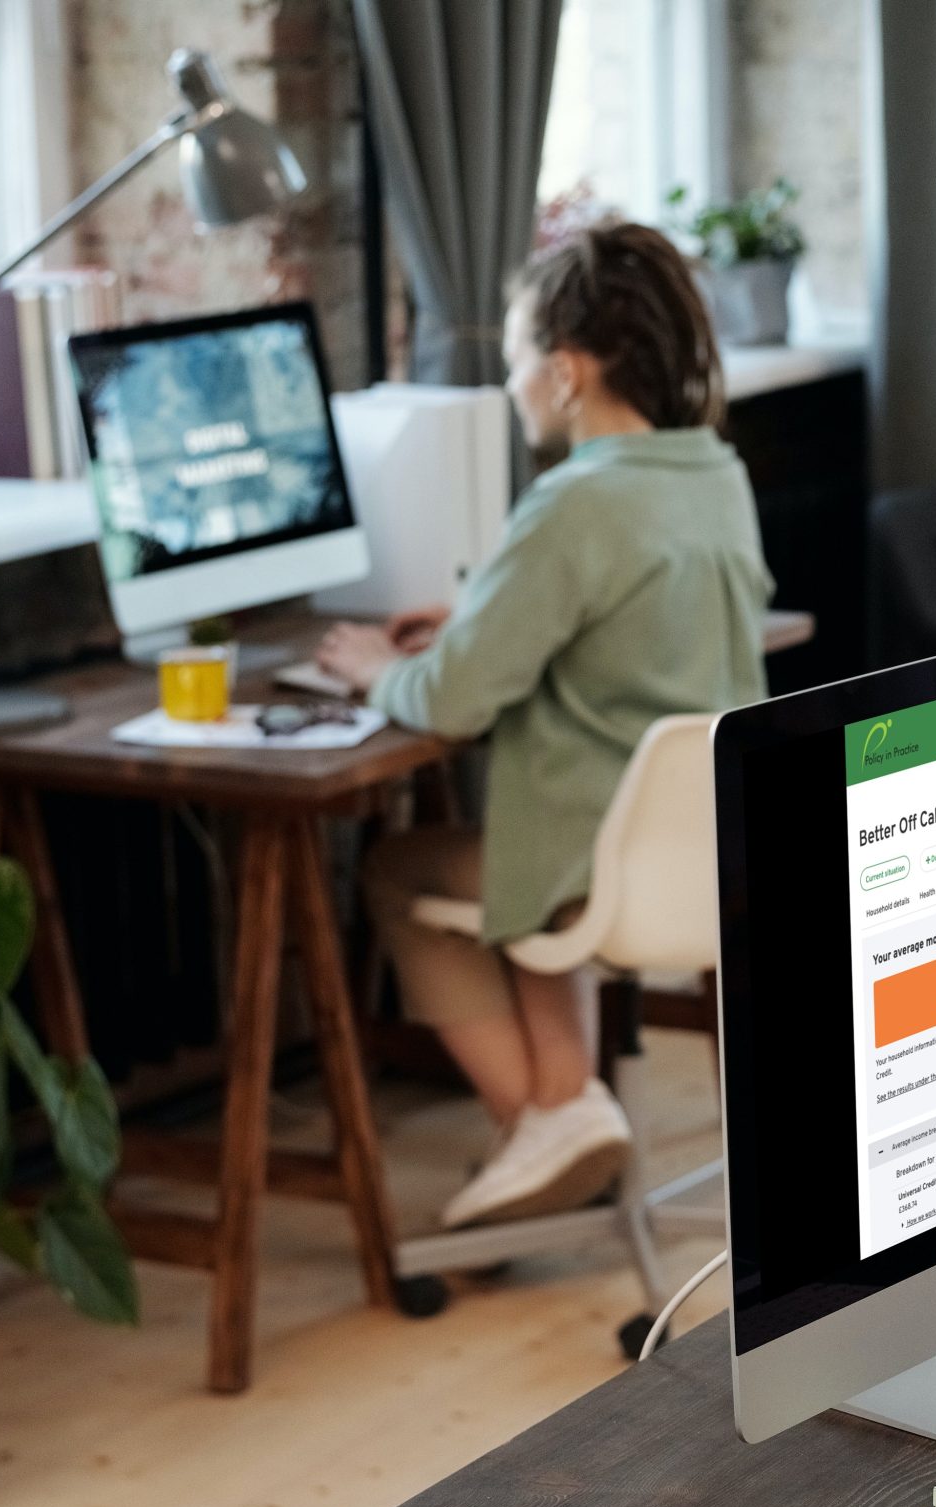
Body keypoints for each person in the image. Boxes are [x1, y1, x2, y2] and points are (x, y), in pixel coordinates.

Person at [315, 221, 773, 1230]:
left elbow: (452, 700)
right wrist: (480, 615)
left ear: (565, 373)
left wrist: (378, 668)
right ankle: (562, 1115)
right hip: (716, 855)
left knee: (400, 867)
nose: (513, 379)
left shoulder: (572, 502)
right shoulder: (713, 474)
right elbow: (623, 619)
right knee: (530, 835)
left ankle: (547, 1116)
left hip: (592, 871)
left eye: (520, 358)